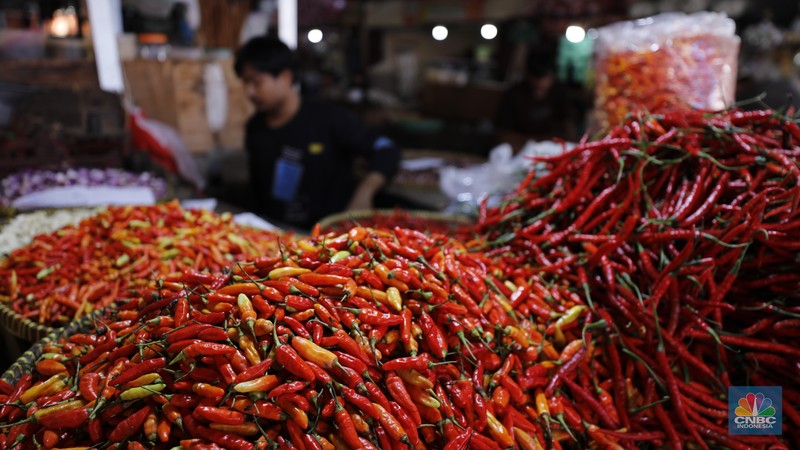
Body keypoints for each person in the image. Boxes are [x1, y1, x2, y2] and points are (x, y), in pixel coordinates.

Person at [234, 36, 401, 230]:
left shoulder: (329, 119)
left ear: (285, 77)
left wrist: (366, 190)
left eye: (256, 82)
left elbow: (387, 150)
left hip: (331, 240)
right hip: (277, 237)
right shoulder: (255, 128)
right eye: (245, 83)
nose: (249, 92)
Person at [494, 46, 577, 152]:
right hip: (520, 147)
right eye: (536, 78)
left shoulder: (560, 93)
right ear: (528, 76)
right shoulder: (514, 94)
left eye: (545, 78)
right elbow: (503, 133)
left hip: (552, 147)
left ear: (553, 76)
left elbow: (568, 125)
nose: (540, 83)